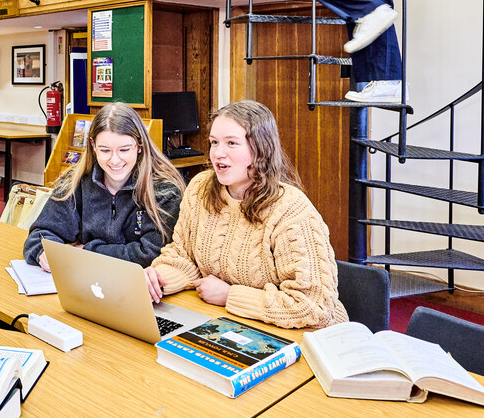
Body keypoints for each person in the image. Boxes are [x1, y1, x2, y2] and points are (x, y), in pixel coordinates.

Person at [145, 100, 347, 329]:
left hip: (309, 336)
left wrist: (230, 295)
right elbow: (184, 256)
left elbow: (313, 306)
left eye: (231, 143)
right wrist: (157, 280)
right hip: (230, 322)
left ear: (261, 149)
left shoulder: (291, 210)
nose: (218, 154)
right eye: (214, 142)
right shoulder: (200, 188)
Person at [23, 102, 185, 270]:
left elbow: (151, 254)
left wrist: (87, 251)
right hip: (84, 280)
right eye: (105, 150)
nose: (115, 160)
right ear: (93, 146)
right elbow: (40, 235)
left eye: (124, 150)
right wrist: (44, 251)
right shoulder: (75, 181)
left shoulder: (165, 190)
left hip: (136, 286)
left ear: (139, 146)